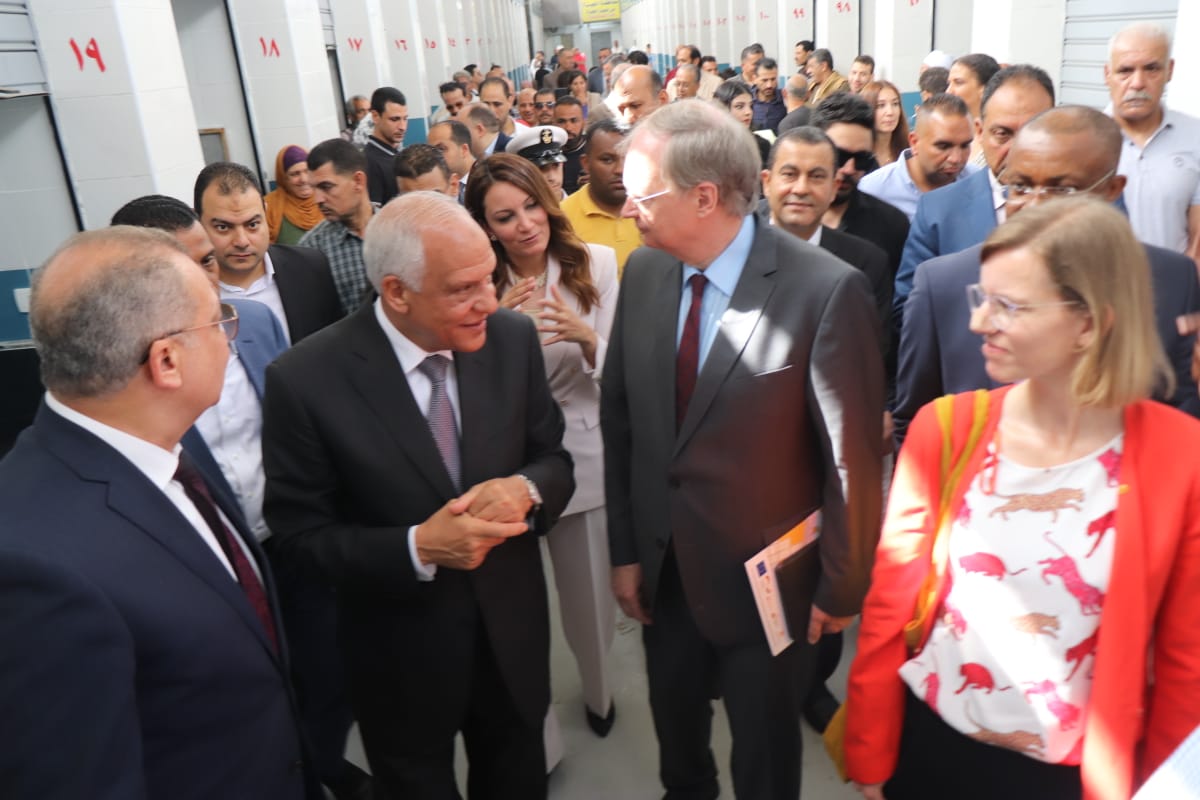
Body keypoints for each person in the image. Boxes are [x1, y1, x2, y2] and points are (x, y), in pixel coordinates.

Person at [847, 195, 1200, 800]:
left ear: (1089, 322)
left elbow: (1184, 658)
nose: (979, 323)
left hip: (1072, 775)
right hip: (933, 745)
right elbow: (889, 605)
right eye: (981, 298)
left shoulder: (1180, 457)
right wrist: (869, 750)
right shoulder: (948, 428)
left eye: (1008, 306)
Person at [604, 97, 883, 800]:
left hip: (771, 586)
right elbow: (622, 421)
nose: (627, 209)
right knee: (678, 745)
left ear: (704, 197)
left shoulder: (824, 291)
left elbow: (848, 460)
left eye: (642, 195)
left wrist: (842, 585)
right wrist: (626, 550)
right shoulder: (644, 273)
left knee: (764, 758)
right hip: (665, 575)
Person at [262, 191, 575, 799]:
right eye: (463, 289)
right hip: (398, 660)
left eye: (489, 278)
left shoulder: (511, 339)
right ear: (396, 292)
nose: (489, 301)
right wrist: (418, 547)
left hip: (511, 642)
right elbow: (300, 542)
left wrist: (526, 489)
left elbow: (554, 461)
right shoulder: (305, 380)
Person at [0, 226, 315, 799]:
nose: (229, 339)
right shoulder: (33, 568)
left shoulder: (164, 446)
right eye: (217, 322)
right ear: (166, 360)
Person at [893, 106, 1200, 450]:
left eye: (1063, 190)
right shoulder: (943, 285)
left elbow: (1183, 419)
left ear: (1112, 189)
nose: (1035, 206)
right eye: (1020, 186)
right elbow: (915, 424)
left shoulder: (1170, 280)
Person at [465, 152, 620, 743]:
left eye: (532, 206)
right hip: (503, 467)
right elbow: (464, 388)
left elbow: (625, 374)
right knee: (516, 616)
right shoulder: (479, 285)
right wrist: (490, 336)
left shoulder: (596, 263)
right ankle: (539, 738)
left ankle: (600, 695)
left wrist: (588, 339)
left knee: (590, 603)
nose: (526, 224)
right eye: (505, 217)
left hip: (582, 454)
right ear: (485, 227)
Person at [895, 65, 1056, 314]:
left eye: (1033, 132)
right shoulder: (938, 211)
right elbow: (909, 310)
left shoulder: (1089, 209)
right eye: (1003, 134)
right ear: (980, 131)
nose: (1018, 149)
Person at [195, 162, 343, 343]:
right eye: (223, 227)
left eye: (252, 225)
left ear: (265, 213)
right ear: (198, 223)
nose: (242, 241)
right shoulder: (186, 294)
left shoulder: (311, 269)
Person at [1105, 23, 1200, 263]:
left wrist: (1186, 280)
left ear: (1169, 70)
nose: (1138, 83)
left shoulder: (1195, 137)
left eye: (1151, 69)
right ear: (1107, 74)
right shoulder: (1083, 139)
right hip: (1099, 284)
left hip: (1174, 282)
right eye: (1125, 70)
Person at [859, 93, 979, 223]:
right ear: (914, 142)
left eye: (965, 145)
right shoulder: (872, 191)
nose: (956, 159)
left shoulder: (979, 182)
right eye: (943, 146)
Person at [299, 139, 377, 316]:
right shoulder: (312, 249)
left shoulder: (397, 229)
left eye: (326, 187)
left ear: (358, 181)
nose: (317, 199)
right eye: (314, 189)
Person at [561, 117, 643, 275]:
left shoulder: (651, 210)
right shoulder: (563, 218)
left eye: (627, 158)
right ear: (586, 163)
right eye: (607, 160)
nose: (620, 169)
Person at [948, 53, 1001, 167]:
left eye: (958, 82)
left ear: (985, 89)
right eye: (949, 83)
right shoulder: (950, 133)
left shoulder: (1002, 140)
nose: (949, 91)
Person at [265, 145, 324, 245]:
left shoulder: (326, 198)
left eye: (307, 171)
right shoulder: (269, 207)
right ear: (283, 178)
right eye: (295, 174)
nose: (304, 179)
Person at [364, 87, 409, 205]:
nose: (402, 127)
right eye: (395, 119)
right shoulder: (370, 163)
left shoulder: (397, 155)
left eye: (405, 119)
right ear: (375, 116)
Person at [714, 81, 772, 165]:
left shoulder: (761, 145)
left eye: (751, 106)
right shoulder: (710, 147)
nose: (748, 112)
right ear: (722, 109)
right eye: (739, 106)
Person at [862, 80, 908, 167]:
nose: (890, 112)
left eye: (895, 104)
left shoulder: (908, 151)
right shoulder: (859, 154)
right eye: (881, 105)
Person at [553, 96, 587, 194]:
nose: (568, 127)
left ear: (583, 122)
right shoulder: (548, 154)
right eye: (561, 122)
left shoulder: (595, 150)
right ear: (553, 123)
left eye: (574, 120)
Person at [751, 57, 787, 133]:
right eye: (764, 80)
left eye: (773, 79)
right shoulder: (748, 100)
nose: (769, 85)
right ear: (754, 79)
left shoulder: (785, 99)